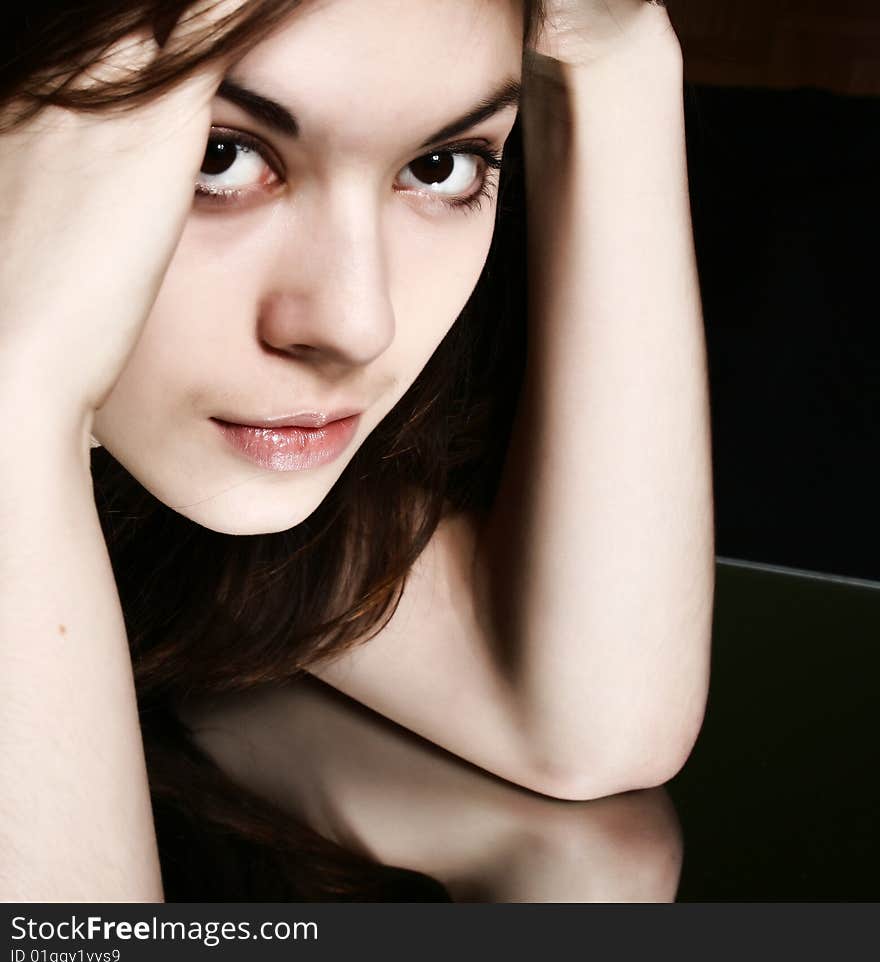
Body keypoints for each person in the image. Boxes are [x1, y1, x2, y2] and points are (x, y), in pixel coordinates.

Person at [0, 0, 714, 901]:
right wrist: (14, 389)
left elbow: (595, 728)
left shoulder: (169, 499)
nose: (353, 321)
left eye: (441, 165)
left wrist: (615, 58)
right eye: (221, 155)